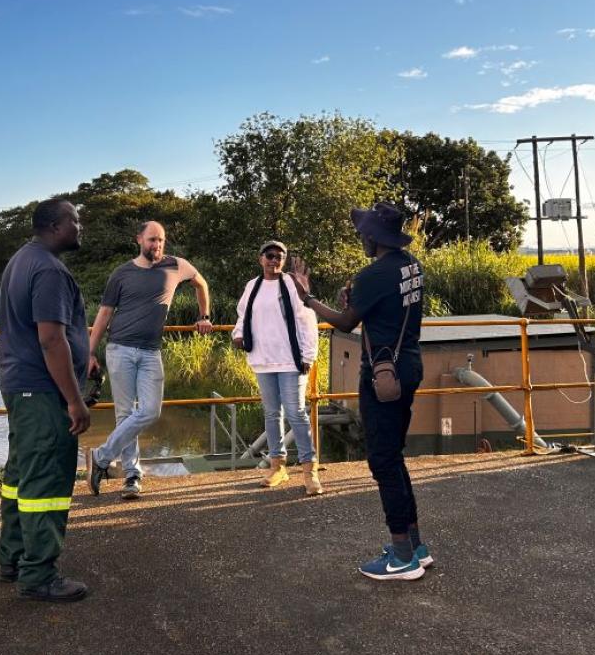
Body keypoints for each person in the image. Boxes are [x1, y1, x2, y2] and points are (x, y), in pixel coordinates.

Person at [290, 202, 429, 581]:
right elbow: (385, 309)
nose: (360, 238)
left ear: (373, 237)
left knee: (382, 461)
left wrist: (307, 299)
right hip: (409, 364)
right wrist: (356, 300)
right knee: (394, 456)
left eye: (362, 234)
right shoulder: (412, 265)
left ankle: (402, 558)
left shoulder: (373, 274)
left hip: (382, 374)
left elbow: (346, 323)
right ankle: (416, 546)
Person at [0, 198, 93, 602]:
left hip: (20, 385)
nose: (79, 226)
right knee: (46, 480)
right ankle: (38, 575)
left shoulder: (22, 259)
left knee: (21, 474)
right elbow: (51, 339)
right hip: (42, 391)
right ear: (55, 226)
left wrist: (85, 358)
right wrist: (74, 400)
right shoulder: (49, 270)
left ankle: (13, 556)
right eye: (75, 220)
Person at [86, 221, 213, 499]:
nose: (157, 245)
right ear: (139, 240)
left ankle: (101, 456)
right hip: (119, 349)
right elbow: (104, 314)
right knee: (124, 414)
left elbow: (201, 283)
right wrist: (90, 352)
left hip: (150, 352)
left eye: (161, 240)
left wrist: (204, 316)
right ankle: (132, 476)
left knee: (150, 411)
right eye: (152, 239)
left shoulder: (176, 265)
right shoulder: (121, 273)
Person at [232, 240, 322, 495]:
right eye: (270, 255)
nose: (274, 260)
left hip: (291, 360)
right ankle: (277, 466)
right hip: (263, 359)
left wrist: (308, 355)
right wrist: (238, 334)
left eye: (280, 257)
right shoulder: (253, 285)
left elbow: (307, 319)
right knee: (272, 414)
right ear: (260, 258)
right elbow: (243, 314)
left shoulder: (292, 284)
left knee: (296, 413)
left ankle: (309, 470)